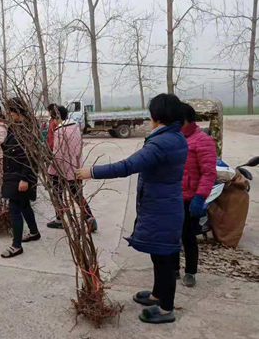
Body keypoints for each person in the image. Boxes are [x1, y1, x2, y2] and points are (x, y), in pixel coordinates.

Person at [77, 93, 187, 324]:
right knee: (159, 254)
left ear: (157, 115)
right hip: (163, 204)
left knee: (165, 258)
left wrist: (92, 172)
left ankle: (166, 309)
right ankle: (158, 295)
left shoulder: (163, 142)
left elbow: (129, 165)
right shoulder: (172, 136)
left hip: (162, 206)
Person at [174, 103, 217, 287]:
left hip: (190, 199)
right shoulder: (174, 138)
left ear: (185, 119)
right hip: (173, 197)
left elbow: (209, 173)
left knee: (188, 236)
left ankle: (190, 271)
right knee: (172, 235)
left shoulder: (203, 140)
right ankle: (173, 268)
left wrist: (200, 197)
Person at [46, 106, 97, 232]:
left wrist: (50, 168)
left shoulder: (60, 131)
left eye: (52, 118)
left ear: (56, 117)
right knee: (77, 195)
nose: (52, 121)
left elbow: (58, 154)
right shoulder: (75, 127)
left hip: (62, 169)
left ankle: (60, 220)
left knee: (57, 193)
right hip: (76, 168)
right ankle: (90, 219)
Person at [0, 98, 40, 258]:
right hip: (13, 173)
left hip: (20, 175)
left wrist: (25, 178)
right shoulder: (16, 127)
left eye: (10, 111)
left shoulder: (27, 130)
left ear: (18, 111)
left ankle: (16, 245)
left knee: (14, 208)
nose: (9, 115)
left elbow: (31, 156)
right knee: (24, 205)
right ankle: (34, 232)